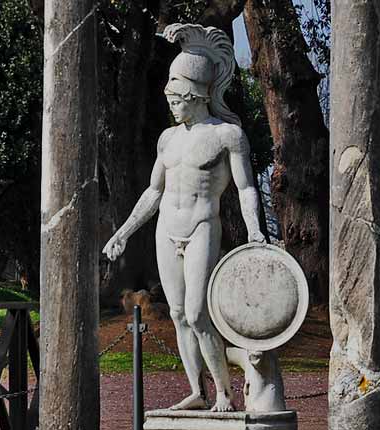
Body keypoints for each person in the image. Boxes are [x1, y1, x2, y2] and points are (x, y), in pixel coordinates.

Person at [102, 24, 265, 412]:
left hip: (202, 226)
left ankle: (224, 392)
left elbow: (245, 189)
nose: (172, 105)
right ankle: (198, 390)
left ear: (197, 94)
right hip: (166, 229)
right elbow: (153, 192)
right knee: (177, 314)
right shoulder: (168, 139)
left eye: (178, 98)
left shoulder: (228, 135)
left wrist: (256, 230)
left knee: (197, 312)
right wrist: (123, 232)